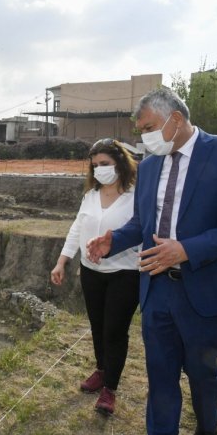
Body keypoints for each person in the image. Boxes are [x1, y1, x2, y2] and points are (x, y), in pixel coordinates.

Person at [87, 88, 217, 435]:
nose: (145, 137)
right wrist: (114, 240)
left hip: (206, 287)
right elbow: (142, 223)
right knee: (160, 373)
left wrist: (187, 249)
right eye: (141, 131)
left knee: (202, 371)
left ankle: (207, 427)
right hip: (157, 288)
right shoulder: (150, 167)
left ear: (176, 119)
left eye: (149, 127)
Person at [50, 138, 140, 416]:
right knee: (98, 327)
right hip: (92, 273)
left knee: (115, 331)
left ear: (120, 164)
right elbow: (77, 229)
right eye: (96, 165)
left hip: (124, 274)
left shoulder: (136, 197)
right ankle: (101, 370)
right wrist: (62, 261)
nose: (100, 169)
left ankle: (110, 389)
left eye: (105, 164)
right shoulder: (90, 196)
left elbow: (140, 231)